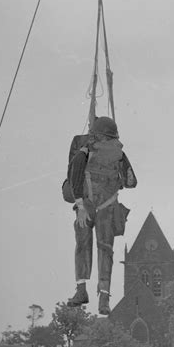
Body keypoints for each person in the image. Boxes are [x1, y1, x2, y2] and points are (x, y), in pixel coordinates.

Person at [67, 116, 136, 314]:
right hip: (107, 208)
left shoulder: (84, 152)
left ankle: (81, 291)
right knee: (105, 250)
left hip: (86, 207)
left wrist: (79, 205)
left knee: (82, 246)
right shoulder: (120, 155)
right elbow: (132, 182)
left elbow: (74, 176)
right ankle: (103, 299)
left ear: (95, 135)